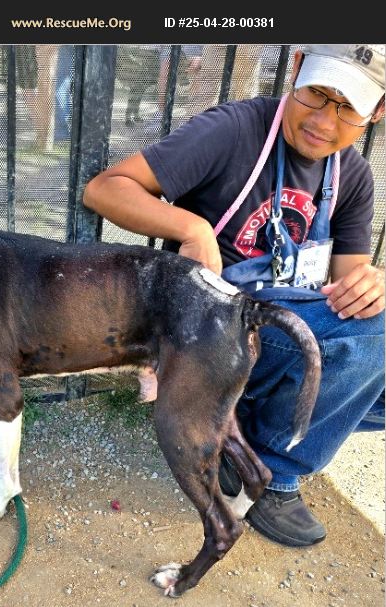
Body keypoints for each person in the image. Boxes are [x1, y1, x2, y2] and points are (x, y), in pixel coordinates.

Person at [83, 45, 385, 548]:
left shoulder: (351, 176)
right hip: (208, 335)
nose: (323, 121)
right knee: (372, 341)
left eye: (347, 108)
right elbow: (105, 188)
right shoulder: (236, 130)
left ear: (377, 112)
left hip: (277, 332)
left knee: (373, 341)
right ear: (296, 69)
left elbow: (350, 292)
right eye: (316, 93)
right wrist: (193, 227)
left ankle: (237, 426)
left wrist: (372, 284)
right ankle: (270, 473)